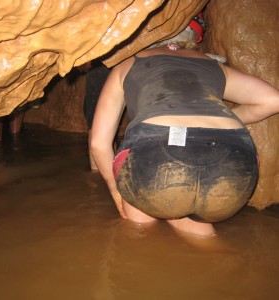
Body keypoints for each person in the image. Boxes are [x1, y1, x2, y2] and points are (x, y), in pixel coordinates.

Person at [90, 32, 279, 237]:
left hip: (155, 161)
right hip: (236, 166)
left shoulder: (126, 65)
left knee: (139, 226)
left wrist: (117, 192)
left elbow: (99, 144)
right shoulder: (214, 66)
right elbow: (273, 100)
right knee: (195, 226)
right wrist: (225, 118)